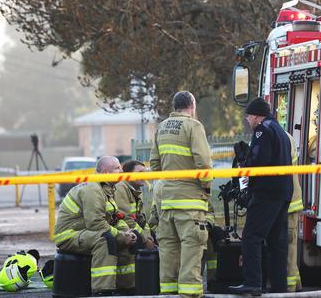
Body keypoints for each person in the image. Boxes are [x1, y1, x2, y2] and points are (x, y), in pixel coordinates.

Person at [150, 91, 212, 298]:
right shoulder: (194, 126)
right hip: (190, 202)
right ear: (192, 105)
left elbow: (155, 165)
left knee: (168, 251)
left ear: (174, 106)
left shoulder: (161, 127)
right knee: (191, 249)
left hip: (166, 203)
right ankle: (189, 294)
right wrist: (206, 186)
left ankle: (168, 293)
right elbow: (203, 161)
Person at [229, 98, 293, 295]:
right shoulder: (280, 130)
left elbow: (259, 160)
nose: (248, 120)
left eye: (248, 116)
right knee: (276, 242)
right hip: (283, 192)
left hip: (267, 192)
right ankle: (278, 286)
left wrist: (245, 170)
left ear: (256, 115)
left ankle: (253, 283)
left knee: (251, 237)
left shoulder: (262, 129)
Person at [53, 156, 138, 295]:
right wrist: (122, 237)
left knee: (125, 240)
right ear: (105, 172)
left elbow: (116, 218)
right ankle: (102, 291)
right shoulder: (92, 189)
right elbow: (96, 223)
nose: (121, 171)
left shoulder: (107, 188)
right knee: (105, 240)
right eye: (117, 168)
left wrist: (127, 233)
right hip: (69, 235)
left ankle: (126, 289)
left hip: (87, 232)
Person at [113, 160, 155, 291]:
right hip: (120, 229)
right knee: (133, 243)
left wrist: (149, 237)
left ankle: (140, 283)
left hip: (131, 228)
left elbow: (142, 220)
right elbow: (126, 218)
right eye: (140, 172)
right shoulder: (120, 188)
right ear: (127, 174)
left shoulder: (136, 191)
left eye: (145, 172)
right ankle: (127, 286)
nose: (144, 175)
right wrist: (144, 239)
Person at [285, 133, 303, 292]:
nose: (247, 120)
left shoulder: (278, 137)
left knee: (289, 245)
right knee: (291, 245)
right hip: (291, 200)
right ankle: (296, 283)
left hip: (288, 202)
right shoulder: (287, 137)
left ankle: (289, 288)